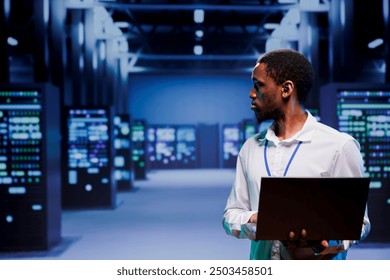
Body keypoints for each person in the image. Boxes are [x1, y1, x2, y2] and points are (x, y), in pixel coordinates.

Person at [222, 49, 371, 260]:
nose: (251, 94)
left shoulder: (339, 147)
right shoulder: (250, 148)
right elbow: (231, 215)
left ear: (286, 89)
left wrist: (324, 241)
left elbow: (359, 224)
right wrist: (260, 221)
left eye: (258, 85)